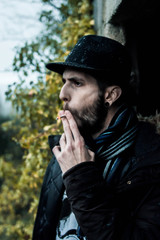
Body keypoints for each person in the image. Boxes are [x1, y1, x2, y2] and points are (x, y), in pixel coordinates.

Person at [32, 35, 160, 240]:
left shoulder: (151, 162)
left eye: (77, 83)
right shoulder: (65, 150)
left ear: (110, 95)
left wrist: (80, 176)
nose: (62, 94)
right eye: (64, 81)